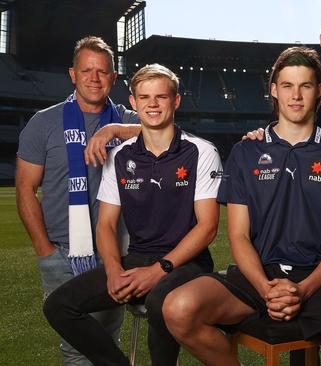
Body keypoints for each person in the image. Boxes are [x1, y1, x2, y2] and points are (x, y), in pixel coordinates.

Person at [162, 46, 321, 366]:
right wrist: (266, 289)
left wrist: (302, 290)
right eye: (287, 86)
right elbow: (238, 236)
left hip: (318, 280)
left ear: (319, 91)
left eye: (305, 85)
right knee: (177, 308)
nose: (296, 95)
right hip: (255, 276)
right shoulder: (245, 152)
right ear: (274, 90)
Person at [43, 63, 221, 366]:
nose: (153, 104)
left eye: (161, 97)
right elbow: (106, 224)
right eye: (145, 97)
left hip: (187, 263)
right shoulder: (120, 156)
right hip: (138, 257)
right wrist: (113, 269)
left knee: (158, 301)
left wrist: (157, 271)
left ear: (175, 101)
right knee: (59, 305)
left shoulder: (201, 151)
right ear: (134, 102)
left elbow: (208, 227)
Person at [15, 36, 138, 365]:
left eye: (102, 72)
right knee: (76, 348)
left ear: (114, 77)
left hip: (115, 253)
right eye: (87, 70)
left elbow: (166, 130)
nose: (94, 78)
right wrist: (44, 251)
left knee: (105, 340)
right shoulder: (44, 122)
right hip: (62, 252)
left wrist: (113, 129)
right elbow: (25, 189)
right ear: (73, 74)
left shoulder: (126, 119)